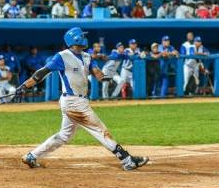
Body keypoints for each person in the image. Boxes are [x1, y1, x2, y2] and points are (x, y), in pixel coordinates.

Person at [17, 27, 148, 170]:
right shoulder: (62, 56)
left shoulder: (87, 56)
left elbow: (96, 72)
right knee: (100, 130)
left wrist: (104, 78)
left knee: (64, 135)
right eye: (82, 36)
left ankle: (32, 156)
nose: (85, 38)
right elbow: (41, 73)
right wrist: (25, 86)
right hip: (73, 102)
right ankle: (127, 160)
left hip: (79, 101)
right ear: (75, 39)